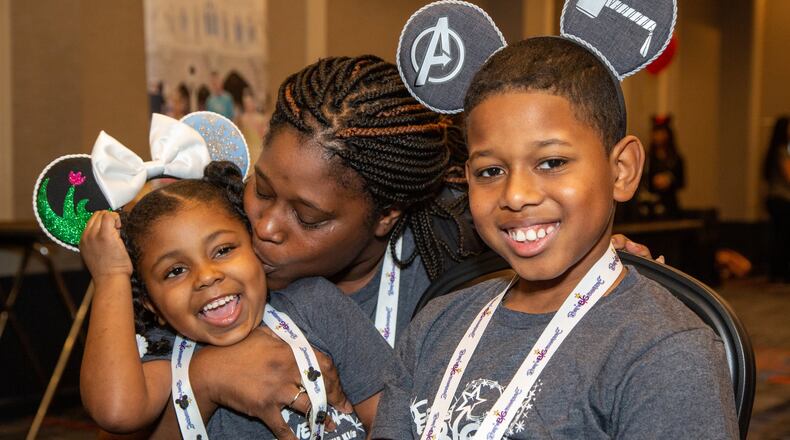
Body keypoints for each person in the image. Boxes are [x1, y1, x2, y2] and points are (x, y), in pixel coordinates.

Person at [92, 56, 657, 440]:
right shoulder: (205, 256)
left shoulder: (454, 282)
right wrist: (206, 379)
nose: (264, 225)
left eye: (307, 217)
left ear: (386, 217)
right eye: (261, 187)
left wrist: (592, 265)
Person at [372, 37, 738, 438]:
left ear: (621, 171)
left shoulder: (665, 351)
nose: (515, 195)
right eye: (490, 171)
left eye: (551, 162)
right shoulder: (435, 326)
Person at [79, 162, 390, 438]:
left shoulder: (316, 303)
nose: (206, 276)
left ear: (254, 246)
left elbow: (390, 410)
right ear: (152, 304)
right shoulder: (166, 357)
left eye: (223, 250)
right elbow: (116, 412)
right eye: (175, 271)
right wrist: (111, 277)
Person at [763, 116, 790, 283]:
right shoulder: (781, 150)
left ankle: (777, 272)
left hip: (776, 199)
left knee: (780, 237)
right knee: (783, 238)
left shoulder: (777, 149)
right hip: (782, 200)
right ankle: (780, 272)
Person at [646, 115, 685, 218]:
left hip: (671, 205)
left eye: (662, 132)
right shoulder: (648, 158)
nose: (659, 136)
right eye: (656, 133)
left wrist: (670, 179)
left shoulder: (676, 158)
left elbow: (682, 182)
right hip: (651, 206)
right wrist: (654, 181)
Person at [237, 88, 270, 164]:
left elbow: (264, 135)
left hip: (259, 150)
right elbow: (241, 135)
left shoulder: (261, 118)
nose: (248, 105)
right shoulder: (242, 119)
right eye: (246, 104)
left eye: (250, 103)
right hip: (248, 151)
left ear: (254, 103)